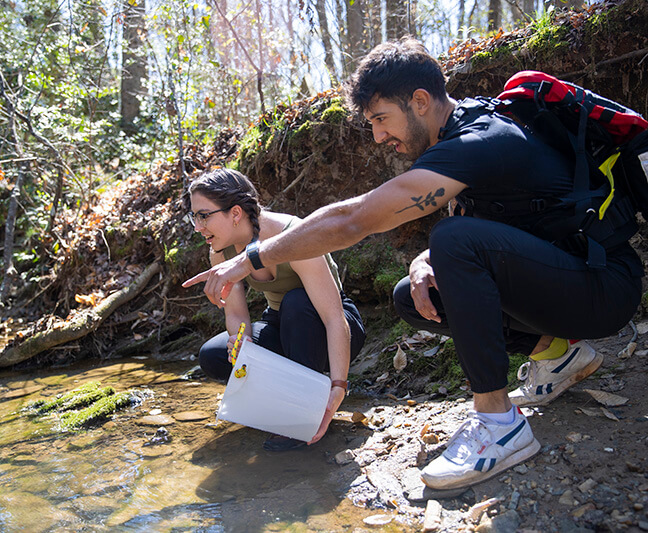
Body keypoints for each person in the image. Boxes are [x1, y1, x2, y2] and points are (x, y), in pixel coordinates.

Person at [184, 39, 643, 490]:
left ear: (420, 101)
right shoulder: (465, 133)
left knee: (451, 240)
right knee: (413, 292)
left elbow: (353, 220)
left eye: (382, 119)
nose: (380, 136)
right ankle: (558, 357)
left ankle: (499, 424)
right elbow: (497, 227)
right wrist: (426, 260)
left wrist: (251, 258)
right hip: (566, 276)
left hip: (604, 286)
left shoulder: (481, 140)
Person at [183, 168, 366, 451]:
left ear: (235, 213)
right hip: (282, 325)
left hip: (332, 326)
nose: (197, 226)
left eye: (204, 216)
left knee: (296, 302)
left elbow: (334, 318)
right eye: (194, 216)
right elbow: (236, 314)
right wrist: (240, 342)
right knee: (214, 355)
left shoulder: (293, 235)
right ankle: (281, 403)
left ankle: (306, 410)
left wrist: (339, 385)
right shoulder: (220, 249)